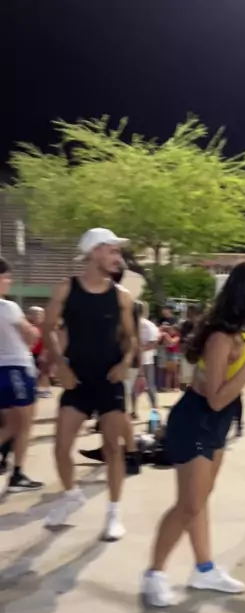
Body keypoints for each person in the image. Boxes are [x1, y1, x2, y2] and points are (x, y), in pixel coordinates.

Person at [142, 262, 245, 608]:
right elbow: (215, 398)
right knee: (188, 504)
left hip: (216, 424)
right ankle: (154, 573)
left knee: (199, 500)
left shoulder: (242, 334)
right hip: (197, 420)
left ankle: (204, 569)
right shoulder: (220, 338)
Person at [43, 228, 135, 540]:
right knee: (60, 448)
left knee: (112, 448)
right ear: (95, 252)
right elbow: (47, 328)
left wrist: (125, 363)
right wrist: (60, 364)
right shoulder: (66, 289)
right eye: (113, 251)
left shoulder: (121, 296)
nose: (118, 258)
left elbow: (130, 338)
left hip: (109, 380)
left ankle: (113, 513)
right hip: (77, 379)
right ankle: (71, 495)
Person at [0, 257, 44, 492]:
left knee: (10, 424)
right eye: (6, 277)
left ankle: (13, 469)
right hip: (15, 367)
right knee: (23, 424)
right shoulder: (8, 307)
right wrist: (29, 341)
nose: (9, 281)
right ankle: (17, 475)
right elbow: (31, 334)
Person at [132, 302, 158, 411]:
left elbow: (153, 343)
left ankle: (154, 408)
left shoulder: (148, 325)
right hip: (133, 361)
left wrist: (140, 349)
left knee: (149, 385)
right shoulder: (129, 324)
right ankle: (134, 410)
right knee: (133, 386)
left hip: (146, 360)